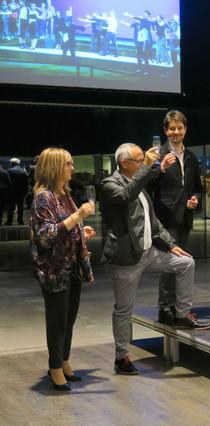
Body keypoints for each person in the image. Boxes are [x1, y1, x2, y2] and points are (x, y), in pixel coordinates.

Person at [101, 143, 210, 376]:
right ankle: (121, 356)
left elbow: (153, 221)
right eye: (139, 160)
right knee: (124, 309)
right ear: (124, 163)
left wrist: (171, 244)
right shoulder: (111, 184)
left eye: (144, 160)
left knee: (186, 263)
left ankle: (181, 314)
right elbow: (126, 195)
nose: (144, 163)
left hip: (149, 252)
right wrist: (149, 167)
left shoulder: (139, 185)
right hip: (126, 257)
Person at [29, 147, 96, 391]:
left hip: (71, 266)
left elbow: (64, 228)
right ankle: (55, 366)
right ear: (55, 167)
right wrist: (78, 216)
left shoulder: (64, 194)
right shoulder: (43, 198)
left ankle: (64, 360)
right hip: (55, 269)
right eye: (68, 163)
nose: (72, 168)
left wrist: (80, 232)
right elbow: (45, 236)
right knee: (57, 321)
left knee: (69, 318)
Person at [148, 110, 202, 325]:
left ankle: (178, 308)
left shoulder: (191, 157)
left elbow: (197, 187)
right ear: (165, 131)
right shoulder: (156, 154)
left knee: (182, 265)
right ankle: (165, 307)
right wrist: (160, 168)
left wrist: (195, 199)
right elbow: (147, 184)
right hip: (165, 217)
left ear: (185, 130)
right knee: (169, 265)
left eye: (180, 128)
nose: (176, 132)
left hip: (184, 217)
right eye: (172, 129)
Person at [6, 157, 28, 225]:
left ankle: (9, 221)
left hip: (11, 192)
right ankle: (20, 221)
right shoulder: (23, 171)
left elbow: (7, 183)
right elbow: (25, 183)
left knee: (10, 208)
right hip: (21, 193)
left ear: (12, 163)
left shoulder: (9, 171)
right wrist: (25, 192)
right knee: (20, 208)